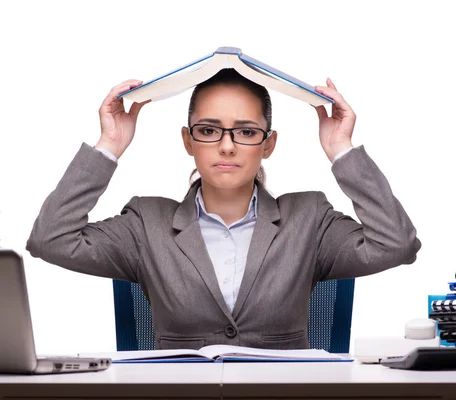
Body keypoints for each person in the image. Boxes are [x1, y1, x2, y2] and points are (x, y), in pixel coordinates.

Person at [27, 69, 421, 350]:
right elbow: (50, 239)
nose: (227, 146)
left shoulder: (309, 218)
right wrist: (109, 145)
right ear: (188, 140)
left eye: (247, 132)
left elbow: (397, 245)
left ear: (268, 144)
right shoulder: (147, 224)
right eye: (209, 130)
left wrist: (342, 151)